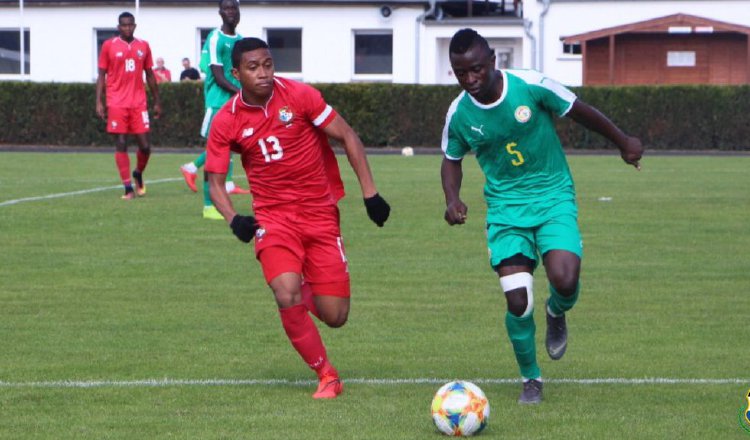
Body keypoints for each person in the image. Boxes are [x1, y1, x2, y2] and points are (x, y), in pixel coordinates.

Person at [440, 29, 643, 404]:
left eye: (476, 70)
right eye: (460, 72)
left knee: (564, 280)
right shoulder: (460, 114)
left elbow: (580, 111)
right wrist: (452, 199)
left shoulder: (530, 85)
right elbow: (451, 159)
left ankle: (556, 311)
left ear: (493, 61)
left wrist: (623, 141)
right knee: (517, 300)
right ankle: (531, 379)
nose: (469, 79)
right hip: (505, 210)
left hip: (552, 196)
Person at [205, 37, 391, 399]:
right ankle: (327, 375)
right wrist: (233, 219)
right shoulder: (226, 120)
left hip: (320, 214)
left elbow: (348, 136)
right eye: (253, 67)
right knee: (284, 291)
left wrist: (371, 194)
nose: (263, 73)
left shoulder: (300, 96)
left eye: (268, 64)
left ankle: (303, 294)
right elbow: (214, 182)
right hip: (274, 220)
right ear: (236, 73)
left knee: (336, 315)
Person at [179, 0, 249, 220]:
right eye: (227, 9)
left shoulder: (240, 40)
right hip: (218, 102)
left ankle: (198, 171)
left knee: (229, 148)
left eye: (234, 9)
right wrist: (242, 91)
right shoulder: (215, 38)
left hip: (235, 103)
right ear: (220, 12)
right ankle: (208, 205)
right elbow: (217, 75)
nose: (231, 13)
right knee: (218, 150)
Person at [96, 11, 162, 200]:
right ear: (119, 27)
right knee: (121, 143)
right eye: (123, 25)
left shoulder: (143, 46)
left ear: (134, 26)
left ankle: (138, 173)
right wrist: (99, 101)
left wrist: (157, 101)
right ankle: (127, 188)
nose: (127, 28)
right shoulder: (109, 46)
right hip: (116, 102)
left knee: (145, 146)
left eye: (130, 24)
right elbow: (101, 75)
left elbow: (149, 74)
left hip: (138, 103)